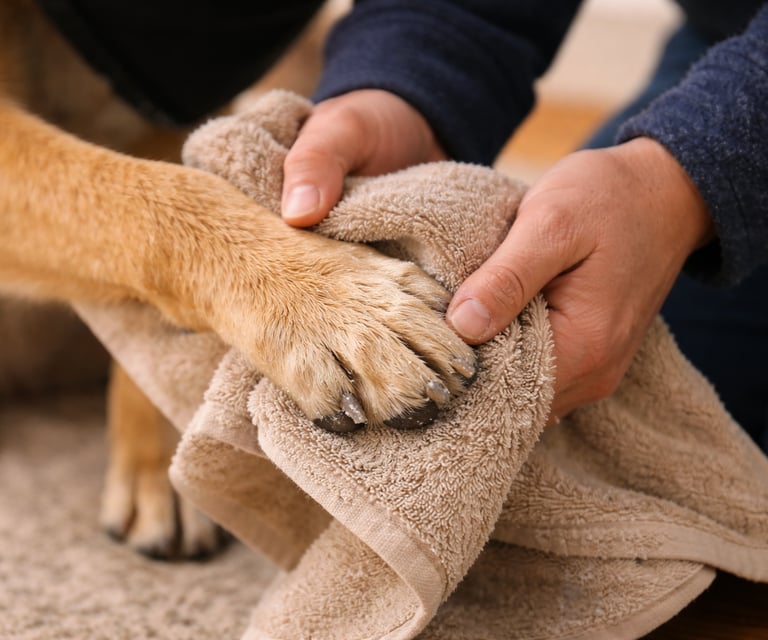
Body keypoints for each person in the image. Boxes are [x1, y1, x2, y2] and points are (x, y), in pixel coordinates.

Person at [39, 1, 768, 448]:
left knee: (666, 446)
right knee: (575, 406)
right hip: (728, 33)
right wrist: (401, 84)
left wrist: (691, 173)